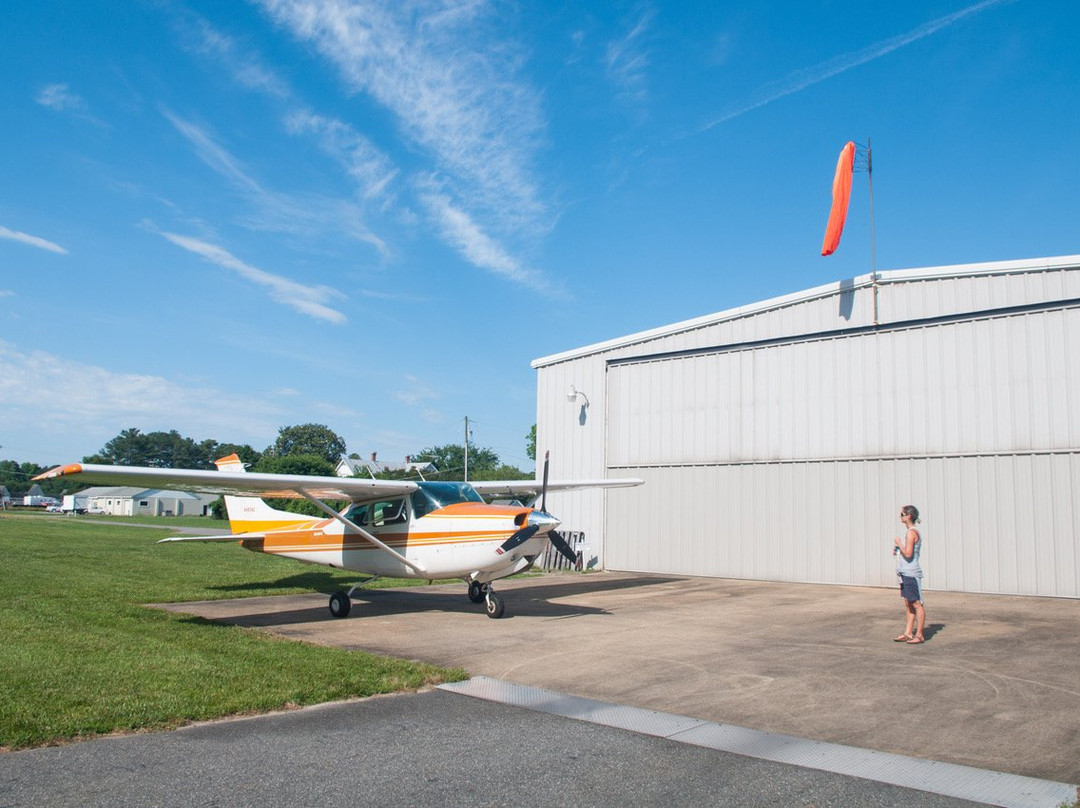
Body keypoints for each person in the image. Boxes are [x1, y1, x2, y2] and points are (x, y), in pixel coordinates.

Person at [892, 504, 925, 644]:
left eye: (902, 514)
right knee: (908, 603)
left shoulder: (911, 533)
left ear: (908, 516)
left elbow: (909, 554)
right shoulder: (910, 532)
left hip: (911, 573)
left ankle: (919, 634)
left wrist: (899, 544)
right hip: (905, 572)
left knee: (917, 604)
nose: (901, 517)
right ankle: (908, 633)